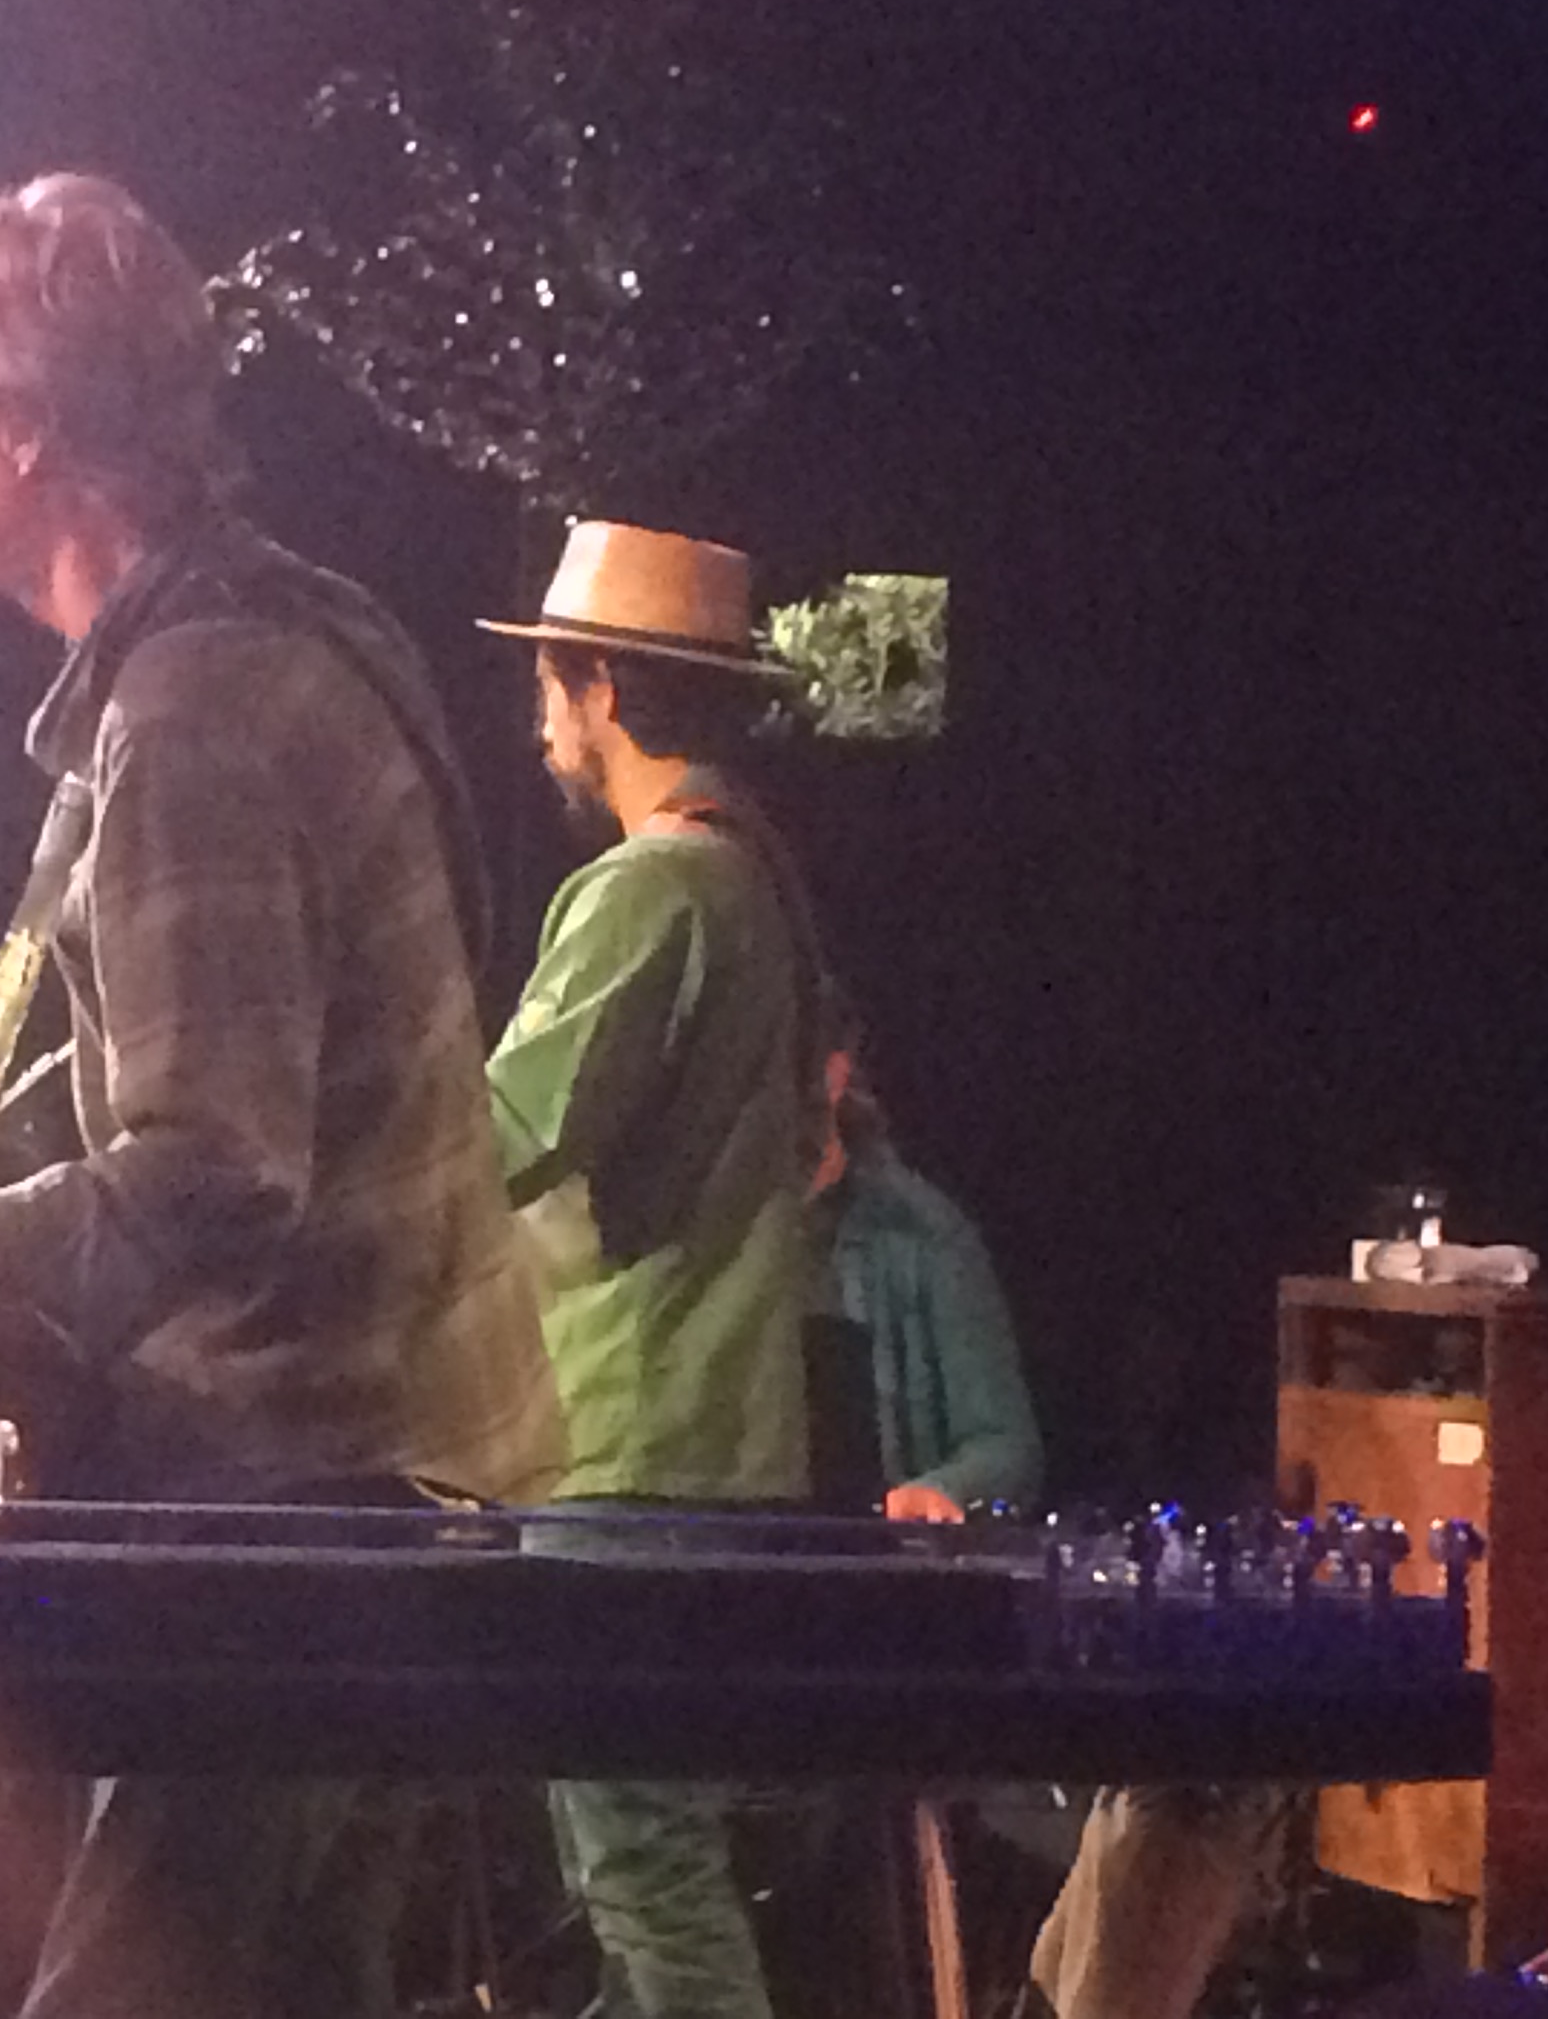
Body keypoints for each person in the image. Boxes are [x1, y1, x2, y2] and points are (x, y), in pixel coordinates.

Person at [0, 172, 564, 2019]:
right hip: (347, 1506)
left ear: (29, 426)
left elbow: (214, 1170)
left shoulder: (192, 714)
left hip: (291, 1524)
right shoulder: (253, 648)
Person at [479, 520, 835, 2019]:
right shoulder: (755, 882)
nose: (540, 728)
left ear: (603, 687)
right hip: (719, 1455)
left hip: (630, 1458)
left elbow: (497, 1141)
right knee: (645, 1873)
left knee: (644, 1874)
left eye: (549, 689)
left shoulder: (652, 889)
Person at [821, 1069, 1044, 1523]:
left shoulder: (924, 1233)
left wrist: (941, 1490)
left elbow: (1005, 1445)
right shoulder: (696, 1225)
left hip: (872, 1554)